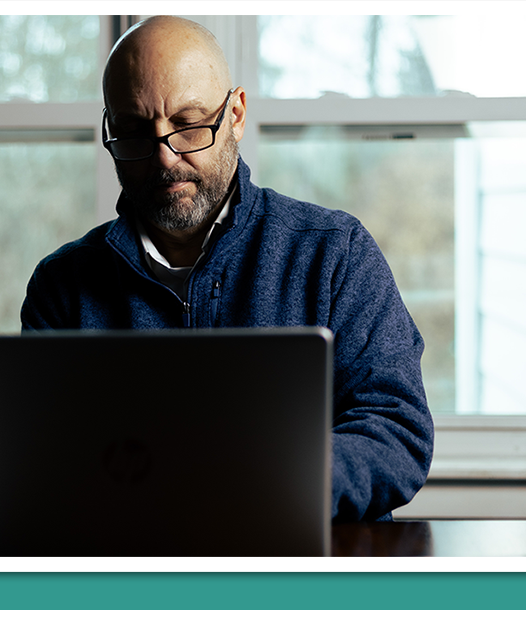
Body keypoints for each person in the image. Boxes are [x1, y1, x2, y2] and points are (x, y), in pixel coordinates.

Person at [21, 16, 433, 521]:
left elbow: (396, 428)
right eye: (133, 133)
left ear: (235, 114)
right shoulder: (61, 287)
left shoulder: (335, 253)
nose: (165, 158)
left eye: (189, 124)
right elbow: (43, 457)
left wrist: (279, 482)